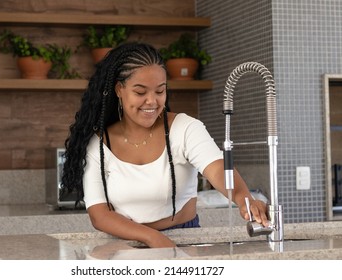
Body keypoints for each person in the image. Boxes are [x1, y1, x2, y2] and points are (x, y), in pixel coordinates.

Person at [61, 42, 268, 248]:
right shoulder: (98, 144)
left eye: (160, 91)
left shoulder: (185, 128)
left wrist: (245, 200)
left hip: (185, 240)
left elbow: (218, 170)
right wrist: (153, 238)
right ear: (119, 90)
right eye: (140, 92)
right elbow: (100, 216)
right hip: (123, 246)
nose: (152, 101)